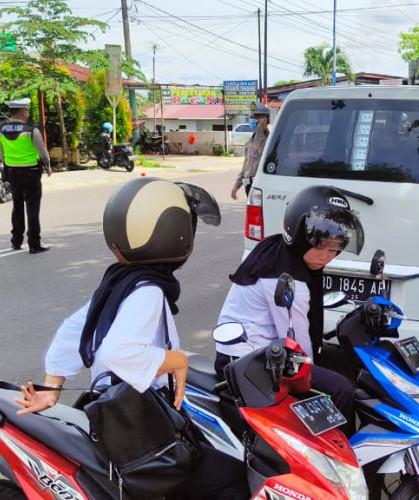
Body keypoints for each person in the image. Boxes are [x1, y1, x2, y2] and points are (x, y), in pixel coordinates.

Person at [14, 177, 250, 499]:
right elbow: (118, 353)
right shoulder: (149, 290)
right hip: (139, 422)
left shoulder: (121, 279)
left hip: (117, 413)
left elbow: (75, 329)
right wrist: (176, 360)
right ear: (177, 236)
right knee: (231, 476)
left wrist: (52, 386)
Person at [215, 185, 362, 436]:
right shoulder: (285, 279)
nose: (327, 256)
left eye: (335, 248)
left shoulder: (279, 250)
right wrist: (318, 376)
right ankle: (338, 464)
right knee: (341, 389)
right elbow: (299, 346)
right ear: (299, 234)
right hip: (249, 364)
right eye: (321, 246)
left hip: (258, 354)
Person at [0, 98, 51, 253]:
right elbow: (42, 152)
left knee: (17, 206)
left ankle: (16, 241)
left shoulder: (1, 129)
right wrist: (47, 166)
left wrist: (7, 165)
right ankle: (34, 243)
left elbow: (1, 152)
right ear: (22, 112)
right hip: (31, 173)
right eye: (27, 111)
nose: (28, 113)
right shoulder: (31, 130)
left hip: (12, 173)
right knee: (32, 208)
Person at [231, 100, 270, 200]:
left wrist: (261, 130)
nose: (252, 120)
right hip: (248, 185)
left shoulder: (268, 139)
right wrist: (236, 186)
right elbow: (246, 166)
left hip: (260, 185)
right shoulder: (250, 141)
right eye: (252, 117)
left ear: (264, 120)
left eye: (256, 117)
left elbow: (262, 152)